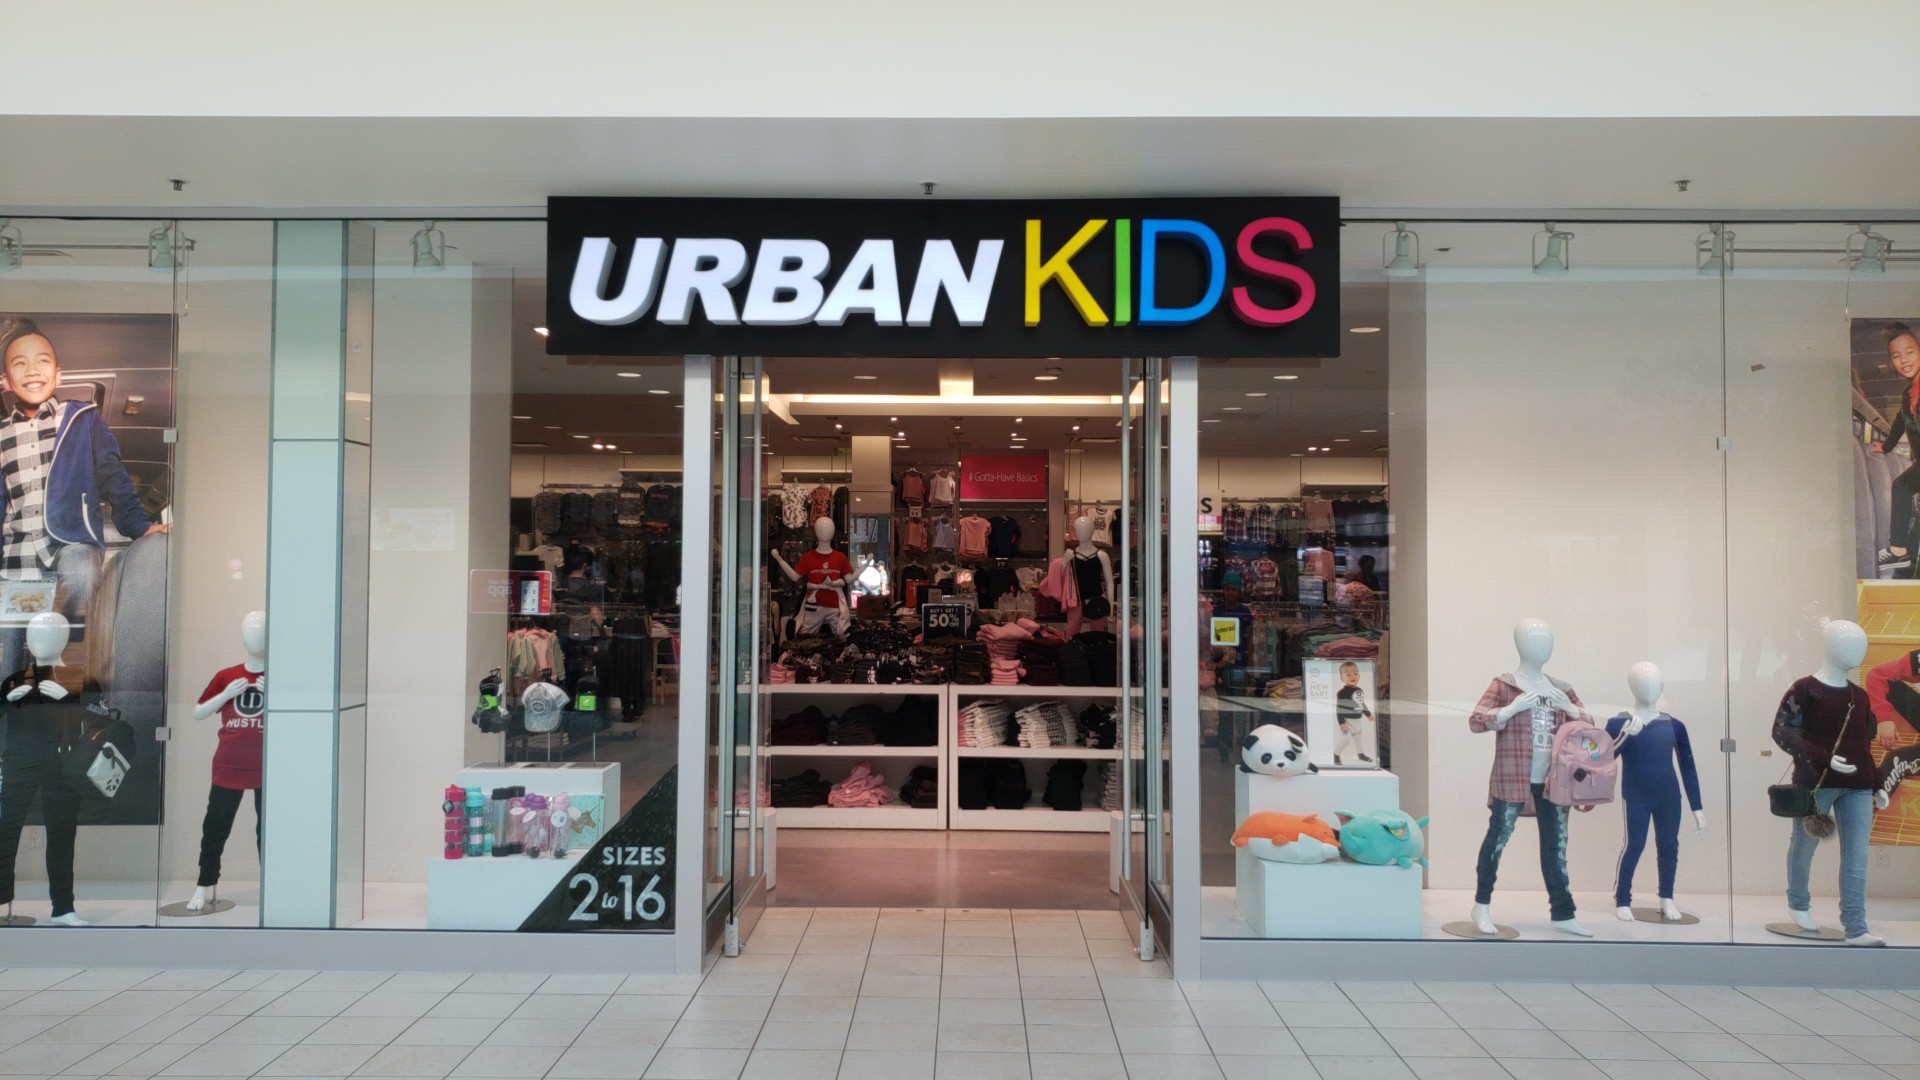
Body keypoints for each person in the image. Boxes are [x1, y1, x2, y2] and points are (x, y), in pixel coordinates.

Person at [0, 318, 169, 676]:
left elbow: (112, 475)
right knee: (11, 650)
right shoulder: (1, 436)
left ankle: (56, 656)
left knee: (80, 577)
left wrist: (139, 526)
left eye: (42, 361)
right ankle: (18, 686)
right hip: (19, 550)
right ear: (6, 381)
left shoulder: (81, 419)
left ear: (58, 375)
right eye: (20, 364)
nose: (33, 370)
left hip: (71, 538)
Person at [1869, 322, 1920, 570]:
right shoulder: (1908, 393)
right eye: (1897, 356)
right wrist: (1887, 447)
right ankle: (1902, 551)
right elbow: (1901, 421)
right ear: (1891, 362)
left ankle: (1900, 550)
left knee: (1901, 486)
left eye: (1910, 352)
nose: (1904, 360)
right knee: (1902, 487)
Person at [1334, 660, 1375, 765]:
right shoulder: (1342, 693)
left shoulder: (1359, 690)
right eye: (1348, 675)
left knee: (1358, 738)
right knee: (1346, 740)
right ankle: (1336, 754)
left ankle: (1361, 754)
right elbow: (1340, 708)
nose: (1353, 677)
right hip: (1347, 721)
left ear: (1359, 676)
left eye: (1355, 674)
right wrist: (1341, 722)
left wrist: (1368, 714)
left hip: (1357, 720)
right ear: (1341, 678)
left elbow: (1361, 703)